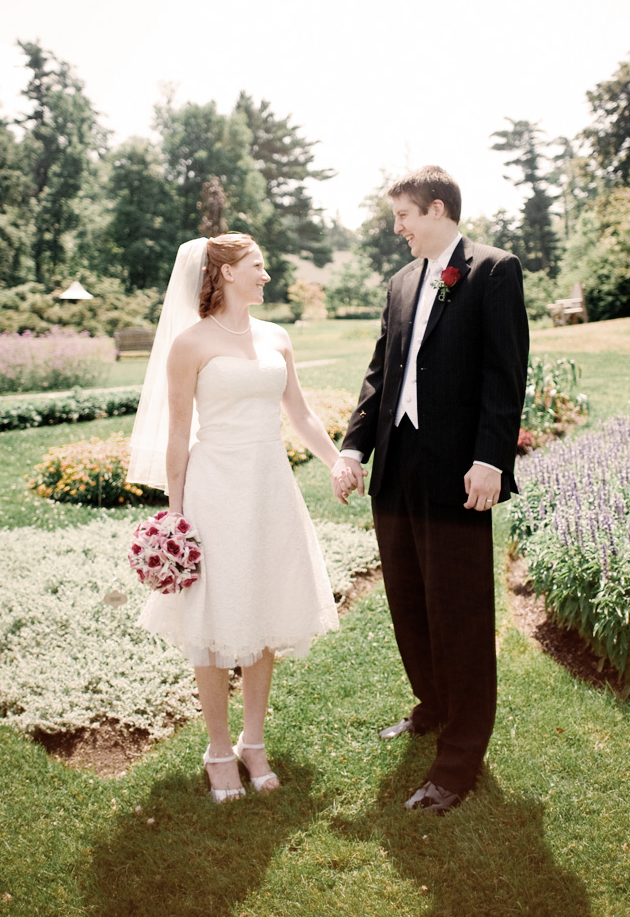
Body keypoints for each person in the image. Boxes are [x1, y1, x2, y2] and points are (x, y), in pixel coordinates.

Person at [331, 166, 528, 814]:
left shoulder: (491, 271)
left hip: (458, 474)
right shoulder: (399, 282)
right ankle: (433, 705)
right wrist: (354, 446)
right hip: (397, 468)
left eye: (403, 216)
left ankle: (459, 757)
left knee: (459, 612)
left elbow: (505, 373)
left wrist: (488, 459)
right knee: (409, 599)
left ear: (436, 208)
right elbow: (376, 375)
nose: (397, 230)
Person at [126, 233, 340, 802]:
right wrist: (175, 514)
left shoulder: (277, 337)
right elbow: (177, 433)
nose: (266, 276)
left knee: (263, 611)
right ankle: (218, 748)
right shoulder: (190, 344)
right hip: (214, 489)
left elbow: (300, 412)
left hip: (270, 487)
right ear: (222, 273)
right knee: (216, 625)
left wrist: (336, 460)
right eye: (257, 266)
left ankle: (253, 742)